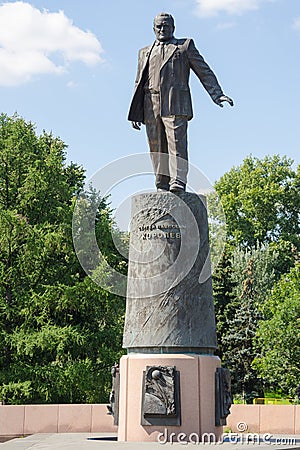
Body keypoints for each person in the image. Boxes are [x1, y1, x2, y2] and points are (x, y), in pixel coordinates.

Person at [128, 13, 234, 192]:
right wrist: (136, 110)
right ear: (153, 29)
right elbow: (139, 81)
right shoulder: (144, 52)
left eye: (166, 26)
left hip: (175, 101)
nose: (162, 29)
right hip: (150, 103)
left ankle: (178, 181)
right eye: (159, 27)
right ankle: (161, 182)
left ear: (173, 28)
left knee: (176, 143)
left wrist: (217, 94)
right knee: (156, 145)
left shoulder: (184, 46)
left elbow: (204, 71)